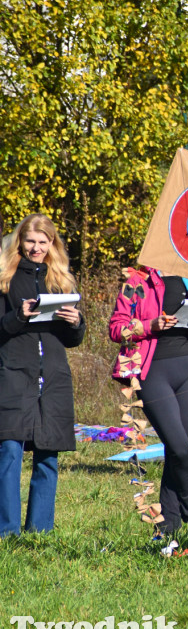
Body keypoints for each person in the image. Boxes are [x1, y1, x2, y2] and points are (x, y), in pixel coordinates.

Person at [109, 266, 188, 536]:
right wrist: (149, 326)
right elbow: (116, 329)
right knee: (180, 447)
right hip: (153, 371)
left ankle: (169, 521)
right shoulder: (136, 281)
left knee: (176, 444)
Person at [0, 214, 85, 537]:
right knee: (9, 450)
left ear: (52, 244)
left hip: (53, 377)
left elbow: (74, 340)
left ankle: (40, 533)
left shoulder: (61, 279)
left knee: (48, 453)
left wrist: (75, 321)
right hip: (12, 374)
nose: (36, 248)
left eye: (43, 242)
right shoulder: (4, 279)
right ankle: (6, 532)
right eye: (30, 241)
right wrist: (17, 317)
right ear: (19, 241)